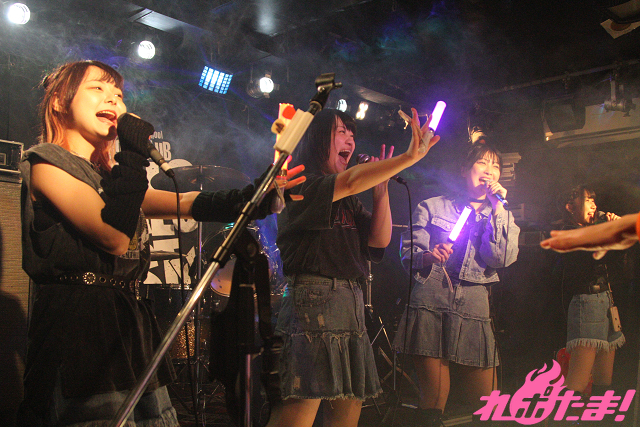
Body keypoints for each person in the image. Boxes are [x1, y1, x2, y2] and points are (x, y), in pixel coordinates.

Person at [17, 60, 304, 427]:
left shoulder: (110, 180)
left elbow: (188, 202)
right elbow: (113, 237)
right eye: (98, 88)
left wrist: (255, 196)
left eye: (118, 93)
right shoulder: (46, 163)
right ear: (59, 101)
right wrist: (133, 156)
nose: (113, 99)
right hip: (80, 327)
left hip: (126, 324)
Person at [271, 108, 439, 427]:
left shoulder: (349, 198)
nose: (350, 140)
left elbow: (378, 240)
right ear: (317, 140)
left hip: (350, 301)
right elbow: (350, 181)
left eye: (352, 135)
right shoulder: (301, 184)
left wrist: (381, 190)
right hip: (315, 300)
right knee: (302, 408)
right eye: (341, 133)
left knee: (349, 407)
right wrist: (407, 158)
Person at [392, 143, 520, 426]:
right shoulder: (432, 206)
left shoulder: (501, 213)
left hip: (474, 304)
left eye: (495, 166)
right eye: (482, 162)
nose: (489, 170)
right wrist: (429, 256)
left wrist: (498, 208)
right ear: (464, 169)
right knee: (434, 398)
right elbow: (408, 255)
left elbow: (500, 258)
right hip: (432, 300)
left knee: (487, 403)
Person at [549, 185, 624, 401]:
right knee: (578, 380)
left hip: (606, 302)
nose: (594, 205)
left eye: (594, 200)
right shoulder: (567, 232)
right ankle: (567, 416)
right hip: (587, 304)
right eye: (588, 200)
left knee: (604, 378)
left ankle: (599, 416)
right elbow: (590, 256)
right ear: (570, 207)